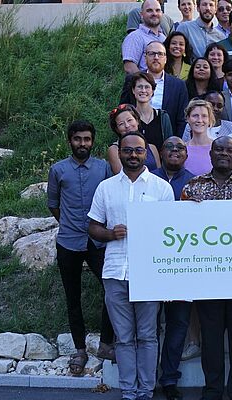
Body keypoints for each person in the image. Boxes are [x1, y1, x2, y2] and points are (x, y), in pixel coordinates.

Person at [88, 131, 174, 400]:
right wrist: (111, 234)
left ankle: (146, 391)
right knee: (123, 338)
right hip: (115, 272)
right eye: (128, 150)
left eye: (139, 150)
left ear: (146, 153)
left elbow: (171, 232)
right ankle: (129, 392)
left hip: (149, 272)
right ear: (119, 153)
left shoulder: (162, 188)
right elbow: (92, 227)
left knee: (148, 336)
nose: (133, 155)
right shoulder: (107, 187)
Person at [181, 136, 232, 400]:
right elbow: (182, 228)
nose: (224, 153)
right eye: (219, 149)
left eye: (230, 150)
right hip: (208, 278)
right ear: (211, 153)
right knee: (212, 342)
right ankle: (213, 391)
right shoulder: (193, 187)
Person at [47, 120, 115, 376]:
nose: (83, 144)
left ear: (92, 141)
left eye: (87, 139)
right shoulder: (58, 170)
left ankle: (105, 344)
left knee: (111, 289)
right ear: (70, 141)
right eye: (78, 139)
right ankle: (79, 349)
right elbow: (53, 203)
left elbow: (109, 199)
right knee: (72, 297)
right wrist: (69, 224)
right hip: (68, 241)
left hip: (98, 241)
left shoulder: (104, 168)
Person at [151, 136, 195, 400]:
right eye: (170, 147)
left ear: (187, 155)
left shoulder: (196, 182)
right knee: (149, 325)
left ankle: (169, 379)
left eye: (180, 148)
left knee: (178, 324)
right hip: (152, 264)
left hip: (183, 266)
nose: (175, 151)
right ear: (161, 153)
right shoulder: (146, 179)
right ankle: (146, 374)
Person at [120, 41, 189, 138]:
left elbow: (182, 119)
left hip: (166, 137)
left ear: (165, 59)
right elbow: (123, 108)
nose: (156, 57)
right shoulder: (132, 80)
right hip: (136, 136)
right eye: (152, 53)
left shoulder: (178, 85)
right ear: (145, 57)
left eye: (160, 54)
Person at [108, 104, 160, 174]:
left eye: (129, 120)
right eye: (121, 124)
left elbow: (160, 175)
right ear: (117, 129)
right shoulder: (114, 149)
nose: (127, 125)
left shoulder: (152, 148)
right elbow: (122, 176)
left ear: (137, 121)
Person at [130, 71, 173, 150]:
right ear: (133, 90)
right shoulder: (129, 118)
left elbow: (169, 147)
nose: (143, 90)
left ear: (153, 91)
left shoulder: (163, 117)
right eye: (139, 87)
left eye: (147, 87)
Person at [123, 0, 167, 74]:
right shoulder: (135, 37)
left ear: (161, 13)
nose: (154, 13)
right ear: (141, 15)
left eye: (157, 10)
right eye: (149, 10)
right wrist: (146, 82)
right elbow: (129, 67)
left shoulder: (163, 38)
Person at [183, 99, 215, 175]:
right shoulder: (182, 149)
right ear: (188, 118)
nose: (200, 120)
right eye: (195, 116)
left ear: (209, 119)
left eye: (204, 116)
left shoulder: (217, 148)